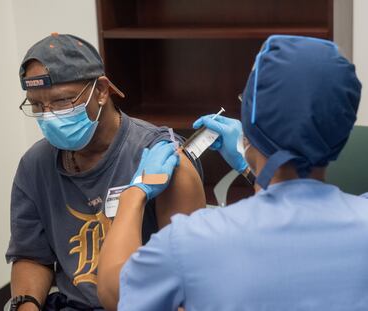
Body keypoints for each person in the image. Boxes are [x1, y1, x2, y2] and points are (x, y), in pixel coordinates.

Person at [99, 35, 368, 311]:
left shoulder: (193, 242)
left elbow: (113, 292)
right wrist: (249, 163)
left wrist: (135, 193)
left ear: (251, 124)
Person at [5, 33, 205, 311]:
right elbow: (31, 255)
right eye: (37, 106)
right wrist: (25, 305)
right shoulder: (35, 164)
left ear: (101, 91)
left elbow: (188, 274)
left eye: (62, 102)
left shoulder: (159, 157)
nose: (49, 116)